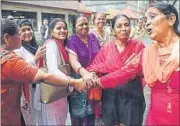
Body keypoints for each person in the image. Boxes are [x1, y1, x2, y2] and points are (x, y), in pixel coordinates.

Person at [1, 19, 86, 126]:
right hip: (16, 107)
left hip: (35, 94)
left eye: (64, 28)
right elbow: (45, 76)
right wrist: (73, 82)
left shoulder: (35, 46)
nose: (24, 35)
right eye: (20, 33)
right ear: (7, 38)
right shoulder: (10, 59)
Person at [87, 14, 146, 126]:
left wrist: (134, 72)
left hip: (131, 94)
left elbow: (144, 71)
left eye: (126, 25)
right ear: (113, 29)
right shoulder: (107, 48)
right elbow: (94, 66)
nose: (123, 29)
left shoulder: (138, 46)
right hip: (110, 95)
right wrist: (92, 75)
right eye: (119, 26)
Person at [143, 2, 180, 125]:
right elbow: (125, 71)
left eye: (152, 16)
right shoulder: (148, 52)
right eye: (145, 19)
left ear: (171, 19)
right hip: (155, 118)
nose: (147, 22)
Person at [66, 14, 101, 126]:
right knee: (78, 116)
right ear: (74, 26)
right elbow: (73, 61)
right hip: (79, 82)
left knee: (91, 114)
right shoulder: (72, 40)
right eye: (81, 24)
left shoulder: (93, 37)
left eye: (86, 23)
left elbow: (101, 55)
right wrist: (84, 73)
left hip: (93, 81)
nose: (84, 26)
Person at [14, 19, 46, 125]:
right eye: (23, 30)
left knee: (41, 116)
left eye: (29, 29)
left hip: (40, 89)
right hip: (28, 91)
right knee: (31, 119)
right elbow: (21, 71)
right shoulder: (17, 50)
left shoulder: (34, 46)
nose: (27, 32)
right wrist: (35, 59)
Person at [40, 18, 71, 125]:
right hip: (55, 87)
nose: (62, 30)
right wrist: (71, 82)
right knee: (55, 119)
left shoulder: (61, 45)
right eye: (58, 28)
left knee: (60, 118)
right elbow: (53, 70)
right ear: (51, 31)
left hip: (60, 88)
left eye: (64, 28)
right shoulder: (52, 44)